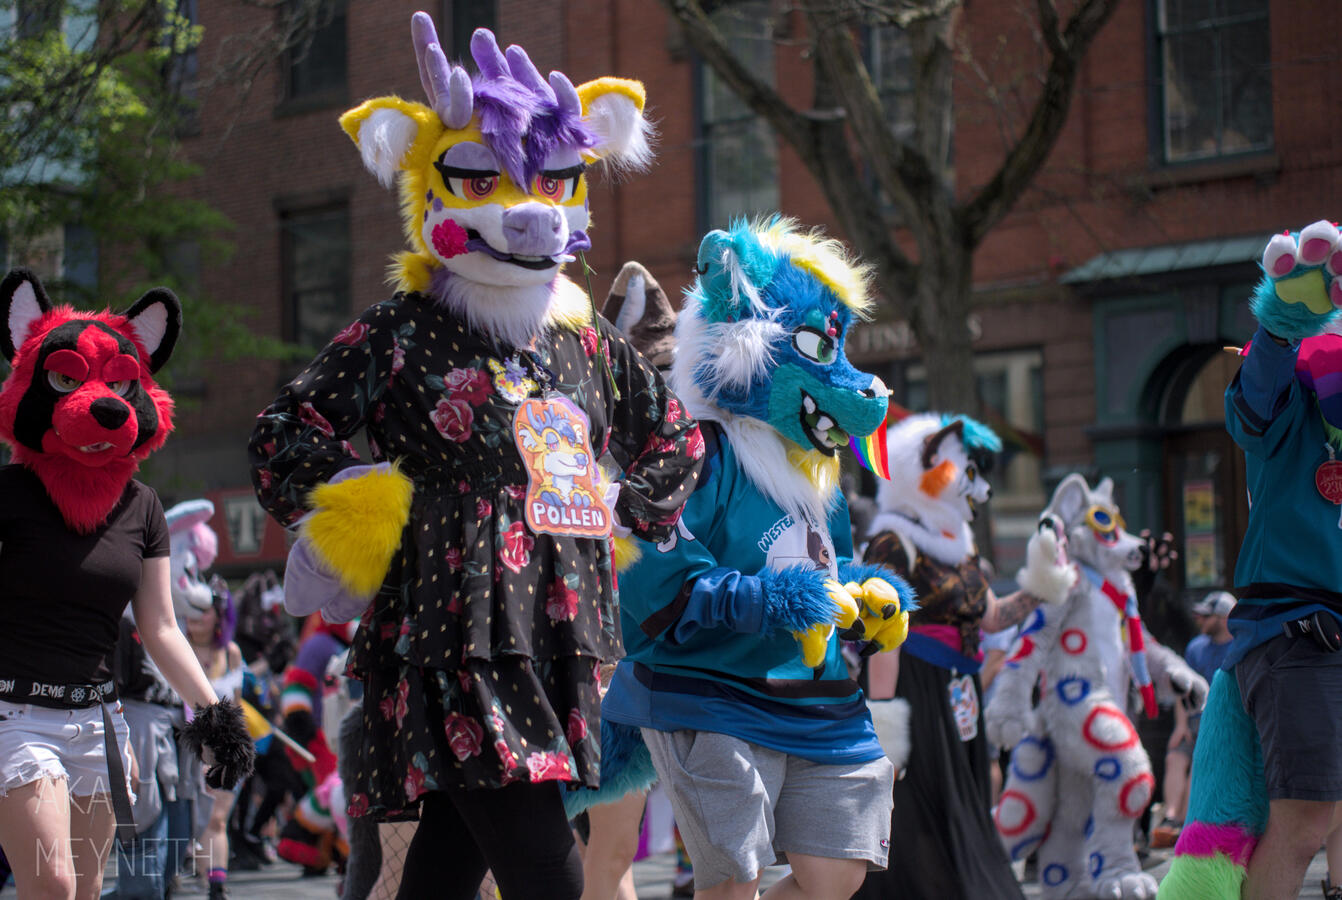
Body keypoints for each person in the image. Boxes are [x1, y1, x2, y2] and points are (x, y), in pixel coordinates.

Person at [248, 16, 701, 900]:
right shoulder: (401, 330)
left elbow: (676, 436)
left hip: (558, 633)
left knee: (447, 873)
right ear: (434, 189)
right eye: (482, 179)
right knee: (548, 876)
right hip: (451, 635)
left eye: (549, 180)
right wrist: (358, 511)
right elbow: (282, 432)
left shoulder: (588, 344)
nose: (524, 205)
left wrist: (626, 511)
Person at [603, 219, 912, 900]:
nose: (845, 372)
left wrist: (866, 602)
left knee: (835, 874)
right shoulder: (693, 453)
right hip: (709, 693)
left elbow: (830, 575)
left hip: (816, 697)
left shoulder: (817, 471)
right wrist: (776, 601)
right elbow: (654, 582)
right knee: (732, 877)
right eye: (812, 344)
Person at [0, 268, 253, 899]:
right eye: (67, 379)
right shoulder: (6, 495)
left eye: (118, 383)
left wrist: (218, 718)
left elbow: (161, 626)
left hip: (98, 722)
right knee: (52, 885)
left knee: (84, 892)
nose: (103, 400)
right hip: (14, 715)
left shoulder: (141, 507)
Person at [1161, 221, 1342, 899]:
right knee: (1301, 823)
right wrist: (1285, 316)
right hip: (1300, 632)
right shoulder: (1290, 407)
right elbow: (1253, 401)